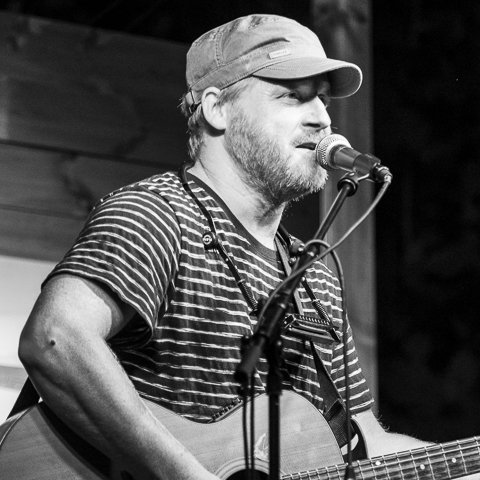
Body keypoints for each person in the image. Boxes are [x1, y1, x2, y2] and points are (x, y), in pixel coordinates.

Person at [18, 13, 431, 480]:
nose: (322, 117)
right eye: (292, 96)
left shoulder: (314, 273)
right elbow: (55, 339)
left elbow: (366, 444)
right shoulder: (158, 214)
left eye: (322, 98)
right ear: (217, 109)